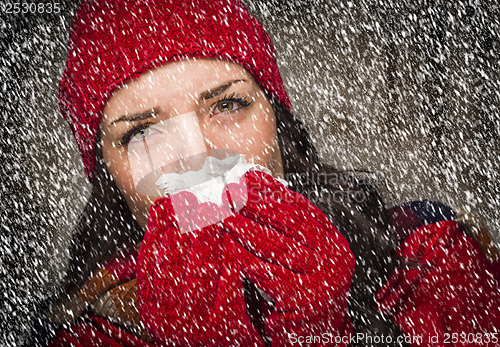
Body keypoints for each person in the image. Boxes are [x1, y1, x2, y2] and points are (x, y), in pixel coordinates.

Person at [32, 0, 500, 346]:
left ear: (279, 124)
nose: (197, 156)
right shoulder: (85, 336)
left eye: (227, 105)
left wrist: (326, 327)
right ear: (110, 178)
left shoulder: (432, 261)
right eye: (141, 132)